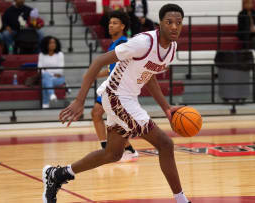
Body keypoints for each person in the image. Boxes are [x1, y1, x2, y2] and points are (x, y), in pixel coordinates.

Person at [43, 4, 192, 203]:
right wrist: (80, 100)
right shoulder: (143, 42)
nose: (174, 27)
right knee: (165, 144)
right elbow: (98, 62)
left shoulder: (171, 49)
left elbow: (149, 77)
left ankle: (57, 174)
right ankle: (182, 200)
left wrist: (166, 108)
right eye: (169, 22)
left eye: (179, 23)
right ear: (160, 24)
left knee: (112, 154)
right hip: (116, 96)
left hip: (126, 98)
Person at [92, 11, 138, 162]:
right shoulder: (114, 44)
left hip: (119, 88)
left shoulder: (123, 43)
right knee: (102, 115)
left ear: (123, 26)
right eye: (110, 23)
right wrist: (95, 74)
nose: (111, 26)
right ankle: (124, 148)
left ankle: (111, 149)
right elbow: (112, 68)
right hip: (111, 85)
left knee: (99, 114)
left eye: (115, 23)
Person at [38, 36, 65, 109]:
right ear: (46, 44)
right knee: (46, 79)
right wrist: (52, 73)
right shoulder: (41, 55)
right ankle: (51, 94)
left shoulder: (60, 54)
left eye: (54, 43)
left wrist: (47, 71)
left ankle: (45, 103)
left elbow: (60, 70)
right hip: (49, 77)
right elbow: (40, 70)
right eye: (50, 43)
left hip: (59, 79)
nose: (53, 44)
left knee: (45, 80)